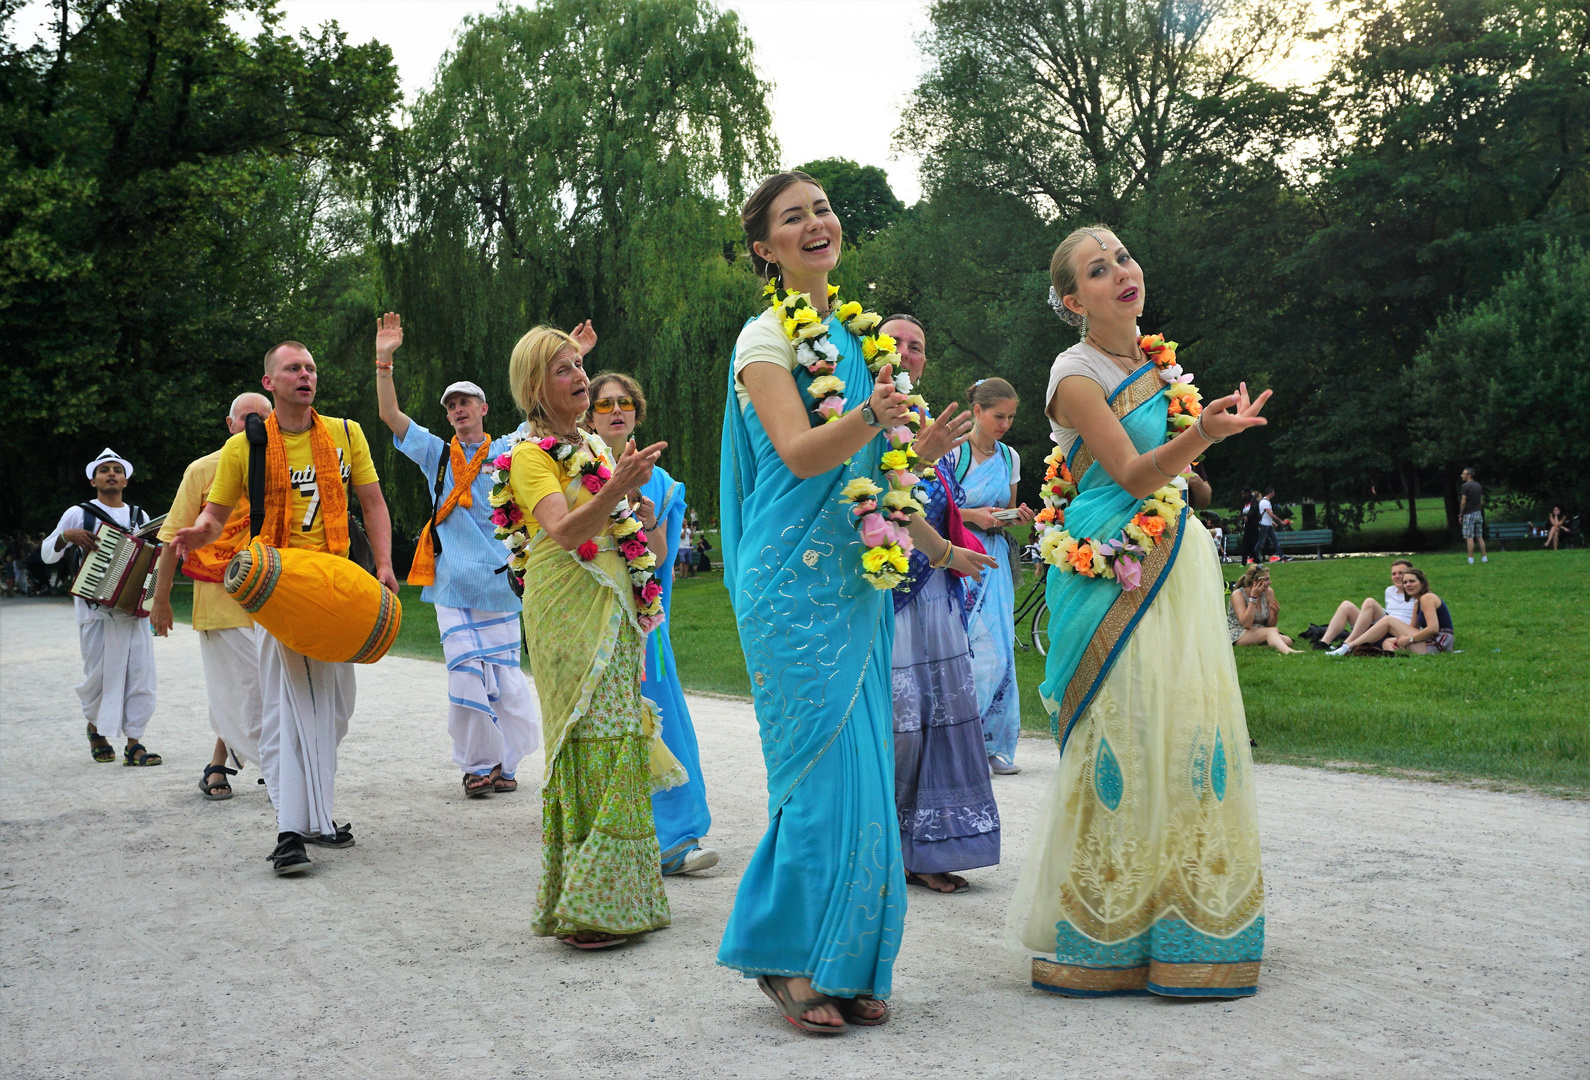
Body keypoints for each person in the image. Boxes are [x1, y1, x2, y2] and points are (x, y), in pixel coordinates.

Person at [718, 171, 996, 1033]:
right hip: (790, 580)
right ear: (765, 247)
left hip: (858, 576)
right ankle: (789, 958)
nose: (816, 224)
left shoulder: (859, 338)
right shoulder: (763, 339)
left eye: (823, 210)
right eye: (792, 217)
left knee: (869, 768)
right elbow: (802, 454)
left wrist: (922, 450)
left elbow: (880, 475)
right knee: (817, 772)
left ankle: (851, 958)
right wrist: (877, 419)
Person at [1011, 224, 1271, 998]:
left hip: (1176, 558)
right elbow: (1124, 471)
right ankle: (1106, 930)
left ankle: (1190, 923)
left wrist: (1199, 453)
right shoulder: (1075, 373)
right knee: (1124, 731)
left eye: (1122, 257)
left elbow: (1178, 480)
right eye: (1098, 269)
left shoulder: (1154, 362)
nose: (1122, 271)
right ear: (1071, 300)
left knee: (1188, 727)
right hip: (1109, 567)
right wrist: (1200, 435)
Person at [173, 341, 400, 876]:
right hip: (280, 588)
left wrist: (385, 565)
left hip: (340, 587)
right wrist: (199, 534)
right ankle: (290, 832)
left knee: (334, 712)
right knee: (291, 710)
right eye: (293, 368)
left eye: (311, 368)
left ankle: (317, 818)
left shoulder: (346, 433)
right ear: (270, 382)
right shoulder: (243, 447)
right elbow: (215, 516)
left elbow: (372, 501)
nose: (306, 375)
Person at [495, 326, 683, 949]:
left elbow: (613, 522)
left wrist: (629, 503)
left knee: (619, 734)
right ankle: (585, 905)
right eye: (564, 371)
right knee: (587, 735)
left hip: (618, 602)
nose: (580, 378)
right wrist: (617, 488)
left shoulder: (593, 448)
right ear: (533, 387)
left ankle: (620, 899)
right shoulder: (528, 456)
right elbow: (562, 528)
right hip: (566, 604)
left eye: (581, 367)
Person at [373, 312, 542, 800]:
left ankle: (506, 764)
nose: (457, 409)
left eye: (465, 401)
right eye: (451, 405)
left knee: (506, 682)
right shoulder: (437, 454)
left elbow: (541, 411)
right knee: (466, 672)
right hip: (450, 583)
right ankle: (476, 766)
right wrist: (384, 361)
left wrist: (566, 360)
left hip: (501, 581)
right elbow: (390, 417)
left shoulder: (509, 448)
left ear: (484, 408)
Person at [878, 314, 1000, 895]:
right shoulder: (856, 415)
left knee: (941, 718)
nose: (905, 353)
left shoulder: (930, 421)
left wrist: (953, 555)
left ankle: (929, 845)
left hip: (933, 590)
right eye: (895, 342)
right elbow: (877, 503)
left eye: (917, 347)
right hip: (886, 594)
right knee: (900, 724)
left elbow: (933, 502)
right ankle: (884, 846)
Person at [584, 370, 718, 875]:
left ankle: (675, 840)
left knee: (663, 721)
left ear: (637, 414)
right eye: (604, 404)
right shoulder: (574, 466)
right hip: (591, 618)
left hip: (645, 626)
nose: (615, 411)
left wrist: (641, 517)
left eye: (625, 403)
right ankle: (610, 836)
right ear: (589, 415)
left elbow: (660, 554)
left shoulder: (662, 482)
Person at [149, 393, 275, 799]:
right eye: (247, 419)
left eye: (264, 420)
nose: (255, 427)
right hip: (219, 600)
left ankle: (220, 764)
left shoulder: (282, 470)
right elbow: (172, 539)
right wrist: (162, 599)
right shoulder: (203, 471)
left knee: (258, 688)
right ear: (230, 424)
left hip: (274, 598)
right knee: (247, 688)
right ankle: (283, 769)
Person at [41, 449, 161, 767]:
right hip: (94, 609)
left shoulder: (140, 516)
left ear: (125, 479)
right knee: (98, 676)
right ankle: (96, 728)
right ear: (93, 479)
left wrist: (153, 602)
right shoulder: (78, 514)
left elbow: (154, 560)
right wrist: (65, 537)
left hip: (132, 611)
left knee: (140, 676)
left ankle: (135, 744)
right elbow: (46, 555)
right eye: (104, 470)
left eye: (117, 470)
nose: (111, 474)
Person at [948, 377, 1036, 775]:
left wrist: (1012, 518)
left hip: (994, 557)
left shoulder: (1009, 457)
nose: (1005, 424)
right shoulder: (952, 453)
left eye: (1011, 417)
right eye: (998, 415)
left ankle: (993, 743)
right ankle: (958, 747)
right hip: (959, 556)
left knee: (1000, 651)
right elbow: (933, 508)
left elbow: (1005, 509)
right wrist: (973, 516)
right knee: (967, 650)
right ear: (978, 411)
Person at [1333, 567, 1454, 654]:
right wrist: (1402, 640)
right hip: (1428, 642)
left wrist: (1409, 639)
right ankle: (1394, 656)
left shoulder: (1427, 597)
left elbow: (1433, 628)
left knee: (1388, 620)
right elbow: (1413, 629)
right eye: (1405, 582)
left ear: (1422, 584)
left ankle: (1349, 646)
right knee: (1388, 642)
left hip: (1439, 643)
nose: (1408, 585)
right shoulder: (1417, 603)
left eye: (1412, 581)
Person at [1322, 559, 1414, 653]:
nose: (1397, 576)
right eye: (1394, 574)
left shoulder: (1419, 595)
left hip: (1397, 632)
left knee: (1369, 602)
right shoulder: (1390, 591)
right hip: (1382, 628)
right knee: (1346, 605)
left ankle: (1347, 644)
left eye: (1400, 573)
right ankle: (1324, 643)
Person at [1228, 565, 1299, 653]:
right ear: (1255, 582)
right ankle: (1287, 651)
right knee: (1272, 632)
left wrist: (1275, 614)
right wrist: (1253, 598)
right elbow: (1246, 624)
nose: (1270, 582)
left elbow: (1270, 625)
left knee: (1288, 641)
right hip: (1239, 632)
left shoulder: (1268, 592)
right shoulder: (1238, 594)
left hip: (1259, 630)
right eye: (1266, 580)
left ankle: (1258, 648)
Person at [1460, 468, 1488, 564]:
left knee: (1469, 537)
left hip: (1469, 514)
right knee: (1479, 536)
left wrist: (1461, 514)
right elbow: (1481, 501)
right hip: (1478, 513)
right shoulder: (1478, 485)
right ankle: (1484, 557)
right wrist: (1478, 510)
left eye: (1463, 474)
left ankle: (1470, 559)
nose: (1461, 475)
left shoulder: (1465, 486)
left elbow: (1463, 502)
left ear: (1469, 475)